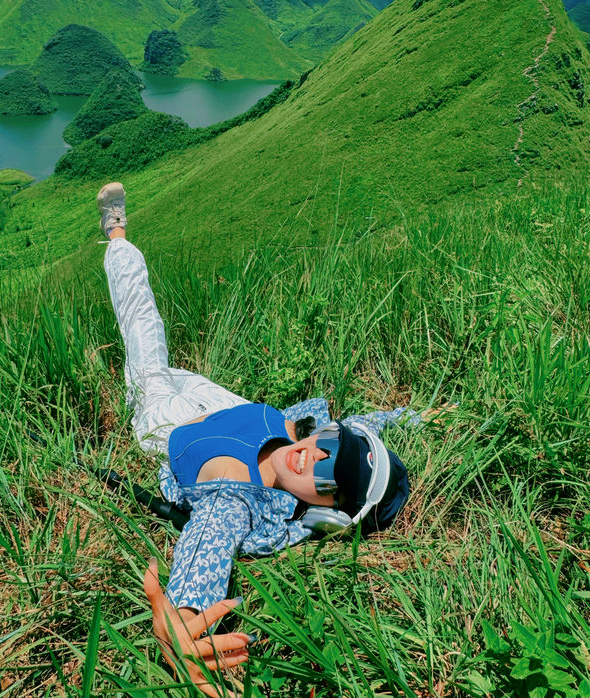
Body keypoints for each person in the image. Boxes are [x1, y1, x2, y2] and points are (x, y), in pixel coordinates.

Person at [97, 182, 418, 696]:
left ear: (326, 513)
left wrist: (183, 615)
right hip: (218, 403)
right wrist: (413, 416)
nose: (316, 454)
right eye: (334, 444)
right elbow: (361, 423)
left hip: (167, 421)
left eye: (330, 475)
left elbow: (210, 539)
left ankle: (115, 233)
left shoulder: (240, 500)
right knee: (175, 360)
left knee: (145, 331)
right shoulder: (305, 430)